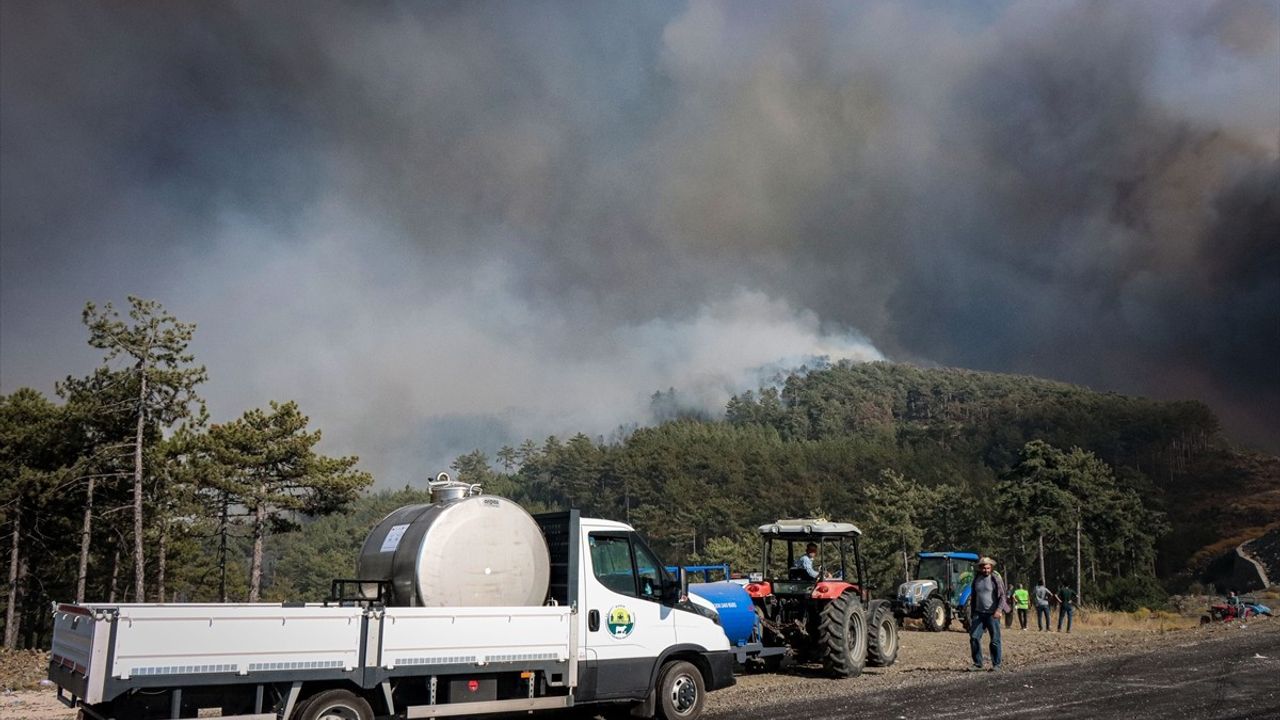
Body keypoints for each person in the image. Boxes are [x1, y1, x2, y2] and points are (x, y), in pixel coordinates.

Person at [966, 556, 1010, 672]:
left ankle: (996, 664)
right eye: (984, 568)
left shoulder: (995, 579)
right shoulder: (976, 579)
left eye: (988, 568)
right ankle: (977, 663)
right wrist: (973, 612)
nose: (986, 570)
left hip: (993, 614)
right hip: (979, 613)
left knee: (995, 640)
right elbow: (974, 596)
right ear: (980, 568)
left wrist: (999, 610)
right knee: (974, 637)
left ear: (991, 568)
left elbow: (1002, 596)